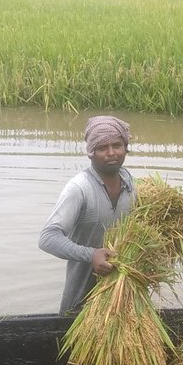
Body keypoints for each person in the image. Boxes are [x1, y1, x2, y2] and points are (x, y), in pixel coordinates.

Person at [39, 115, 136, 313]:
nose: (111, 153)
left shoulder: (130, 183)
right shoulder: (79, 188)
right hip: (82, 299)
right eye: (102, 148)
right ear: (91, 153)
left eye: (117, 145)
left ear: (125, 148)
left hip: (122, 297)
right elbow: (47, 238)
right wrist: (90, 254)